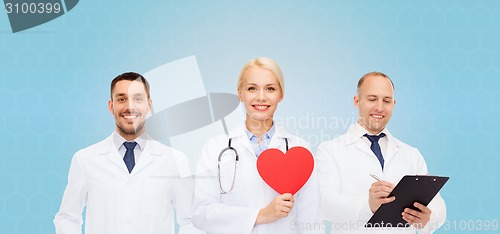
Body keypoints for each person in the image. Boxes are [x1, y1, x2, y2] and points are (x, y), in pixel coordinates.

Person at [54, 72, 203, 234]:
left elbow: (192, 221)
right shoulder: (85, 159)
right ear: (111, 106)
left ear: (149, 105)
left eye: (138, 99)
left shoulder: (175, 160)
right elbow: (68, 218)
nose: (129, 106)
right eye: (121, 99)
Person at [192, 58, 322, 234]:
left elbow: (311, 221)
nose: (261, 97)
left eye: (270, 89)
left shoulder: (300, 149)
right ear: (240, 93)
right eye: (252, 88)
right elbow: (201, 213)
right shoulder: (215, 148)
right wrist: (260, 215)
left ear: (281, 94)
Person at [316, 72, 446, 233]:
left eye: (386, 101)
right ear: (357, 101)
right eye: (372, 99)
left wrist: (428, 219)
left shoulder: (411, 154)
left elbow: (438, 204)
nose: (379, 107)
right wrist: (368, 205)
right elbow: (325, 205)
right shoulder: (330, 150)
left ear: (394, 103)